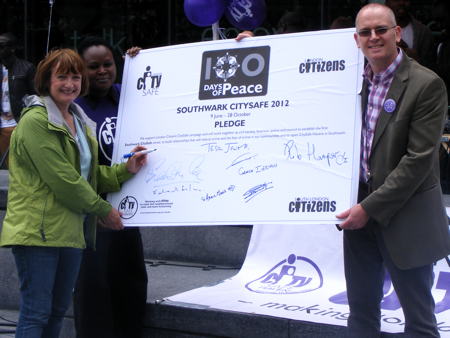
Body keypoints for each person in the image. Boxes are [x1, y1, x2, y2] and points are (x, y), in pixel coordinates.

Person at [0, 48, 147, 338]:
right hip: (38, 233)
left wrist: (125, 170)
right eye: (62, 76)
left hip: (71, 231)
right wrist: (104, 210)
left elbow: (88, 176)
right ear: (46, 81)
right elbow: (64, 180)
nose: (70, 83)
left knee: (55, 312)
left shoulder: (78, 120)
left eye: (76, 77)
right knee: (36, 313)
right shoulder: (35, 121)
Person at [336, 3, 450, 337]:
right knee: (361, 316)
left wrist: (367, 209)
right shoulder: (347, 80)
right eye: (365, 32)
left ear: (397, 33)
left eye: (381, 30)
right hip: (358, 218)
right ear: (356, 40)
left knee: (420, 323)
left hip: (406, 217)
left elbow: (418, 161)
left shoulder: (426, 85)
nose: (373, 38)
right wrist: (251, 44)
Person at [73, 37, 147, 338]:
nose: (102, 71)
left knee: (130, 281)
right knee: (94, 288)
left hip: (130, 204)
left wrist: (142, 62)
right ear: (81, 70)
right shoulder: (74, 108)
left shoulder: (125, 95)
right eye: (93, 67)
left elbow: (168, 88)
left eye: (108, 64)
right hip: (90, 211)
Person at [0, 32, 36, 167]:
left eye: (2, 46)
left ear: (12, 48)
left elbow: (35, 96)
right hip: (2, 126)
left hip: (18, 123)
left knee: (20, 165)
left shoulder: (26, 68)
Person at [385, 0, 436, 69]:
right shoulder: (373, 30)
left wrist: (414, 59)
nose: (401, 3)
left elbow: (431, 67)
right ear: (387, 2)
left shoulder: (423, 32)